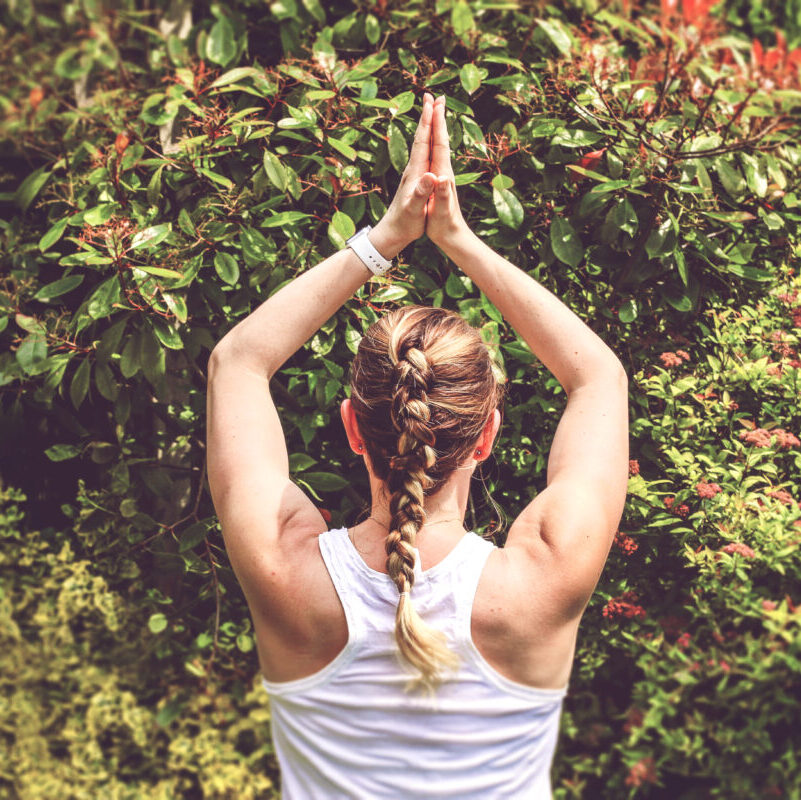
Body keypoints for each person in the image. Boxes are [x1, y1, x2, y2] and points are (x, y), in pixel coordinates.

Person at [206, 92, 629, 799]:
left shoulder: (282, 566)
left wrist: (382, 240)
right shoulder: (545, 576)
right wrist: (458, 237)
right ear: (486, 436)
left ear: (351, 426)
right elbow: (598, 378)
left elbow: (237, 362)